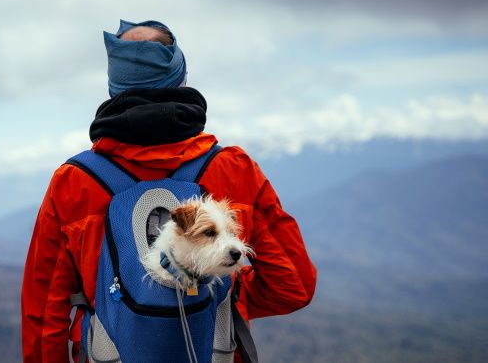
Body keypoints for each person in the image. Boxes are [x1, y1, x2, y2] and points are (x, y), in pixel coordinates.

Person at [21, 19, 317, 362]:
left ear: (114, 88)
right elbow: (293, 286)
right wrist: (215, 292)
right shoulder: (234, 170)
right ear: (180, 78)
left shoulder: (74, 182)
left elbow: (43, 316)